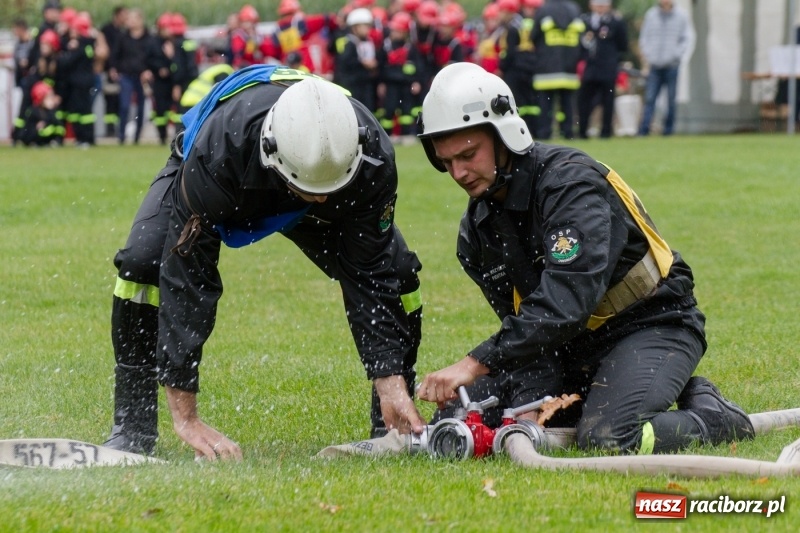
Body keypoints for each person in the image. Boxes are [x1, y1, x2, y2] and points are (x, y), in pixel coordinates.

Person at [415, 62, 754, 454]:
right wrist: (528, 408)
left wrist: (475, 362)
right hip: (570, 346)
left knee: (609, 437)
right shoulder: (477, 233)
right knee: (456, 417)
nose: (458, 172)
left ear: (503, 134)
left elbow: (566, 301)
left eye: (468, 154)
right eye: (447, 161)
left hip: (652, 324)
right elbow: (528, 332)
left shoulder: (571, 185)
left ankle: (715, 417)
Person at [102, 66, 425, 459]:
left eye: (324, 191)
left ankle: (391, 419)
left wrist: (387, 376)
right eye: (306, 189)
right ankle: (132, 428)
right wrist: (186, 415)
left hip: (329, 182)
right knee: (142, 264)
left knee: (399, 272)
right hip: (232, 178)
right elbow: (188, 277)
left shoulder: (372, 154)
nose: (317, 200)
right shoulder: (220, 149)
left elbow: (369, 274)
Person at [530, 0, 585, 140]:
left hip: (546, 67)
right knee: (567, 104)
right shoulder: (574, 9)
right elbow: (582, 37)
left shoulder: (543, 10)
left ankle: (544, 133)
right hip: (569, 66)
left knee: (545, 105)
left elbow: (533, 36)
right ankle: (568, 132)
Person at [637, 0, 692, 136]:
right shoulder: (651, 15)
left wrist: (677, 55)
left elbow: (687, 38)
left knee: (671, 99)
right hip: (654, 65)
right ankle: (644, 130)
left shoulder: (681, 15)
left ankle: (668, 130)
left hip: (672, 65)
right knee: (650, 98)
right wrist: (648, 55)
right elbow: (644, 37)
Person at [576, 0, 628, 139]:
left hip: (607, 67)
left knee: (607, 100)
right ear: (591, 5)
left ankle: (606, 132)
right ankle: (582, 131)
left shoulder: (615, 22)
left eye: (603, 5)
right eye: (597, 4)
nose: (600, 8)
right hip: (589, 67)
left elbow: (623, 45)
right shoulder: (583, 21)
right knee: (585, 100)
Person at [108, 8, 156, 145]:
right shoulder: (122, 37)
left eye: (133, 19)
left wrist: (149, 71)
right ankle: (121, 137)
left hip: (142, 78)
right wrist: (114, 68)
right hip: (126, 76)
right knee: (124, 105)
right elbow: (115, 55)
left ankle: (136, 137)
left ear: (140, 20)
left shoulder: (149, 39)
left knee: (141, 107)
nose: (130, 22)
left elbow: (153, 58)